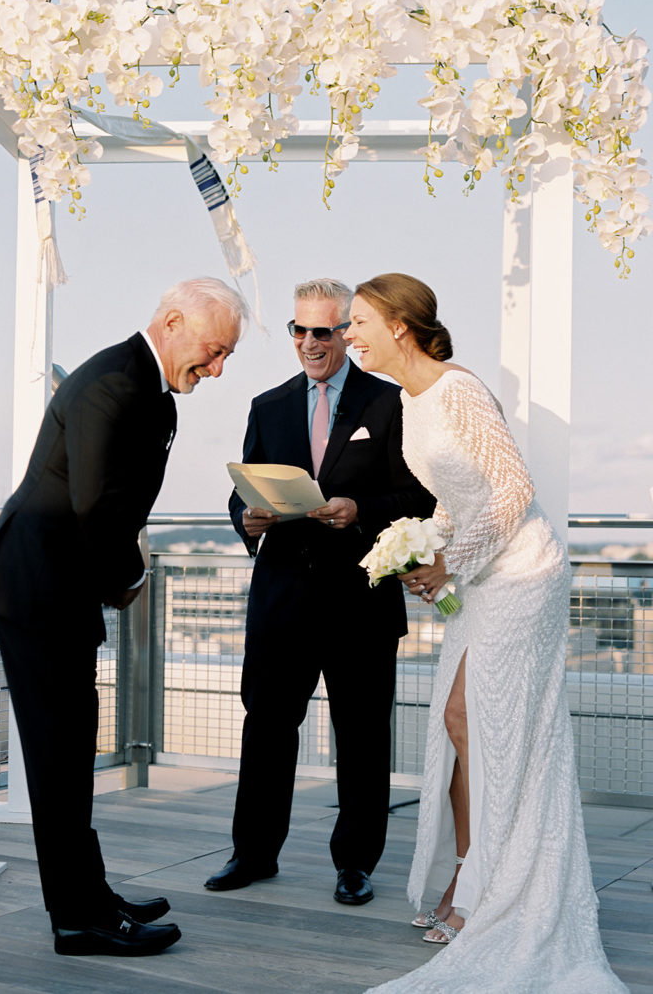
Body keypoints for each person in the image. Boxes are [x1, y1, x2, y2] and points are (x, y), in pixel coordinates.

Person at [344, 273, 626, 992]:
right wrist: (417, 544)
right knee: (462, 722)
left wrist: (448, 561)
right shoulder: (408, 399)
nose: (349, 336)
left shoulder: (459, 390)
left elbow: (511, 488)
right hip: (475, 576)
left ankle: (486, 892)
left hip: (522, 573)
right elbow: (451, 497)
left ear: (399, 325)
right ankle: (475, 881)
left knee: (481, 724)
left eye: (357, 322)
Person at [0, 278, 245, 957]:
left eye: (225, 357)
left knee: (73, 749)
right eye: (213, 351)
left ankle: (91, 895)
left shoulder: (146, 386)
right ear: (174, 321)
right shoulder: (115, 382)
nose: (216, 370)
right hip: (37, 588)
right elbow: (97, 504)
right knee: (59, 759)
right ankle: (78, 918)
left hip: (61, 588)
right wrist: (132, 575)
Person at [204, 279, 435, 906]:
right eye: (299, 330)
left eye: (324, 331)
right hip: (282, 600)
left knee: (362, 737)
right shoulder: (267, 405)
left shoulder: (392, 403)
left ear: (346, 333)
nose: (310, 343)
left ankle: (356, 863)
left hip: (360, 601)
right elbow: (243, 487)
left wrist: (358, 507)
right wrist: (245, 519)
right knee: (267, 728)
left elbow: (418, 498)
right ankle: (251, 854)